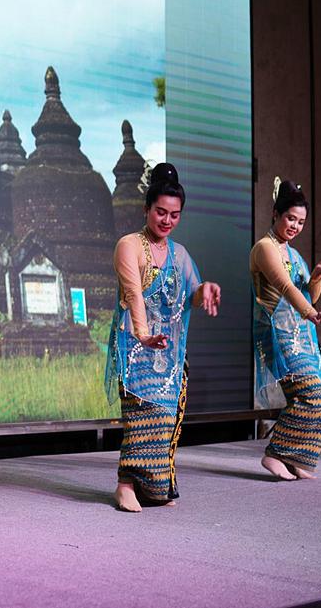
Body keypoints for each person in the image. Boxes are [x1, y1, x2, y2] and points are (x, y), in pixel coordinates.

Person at [105, 162, 221, 512]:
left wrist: (204, 289)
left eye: (174, 215)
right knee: (143, 413)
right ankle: (126, 484)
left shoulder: (179, 254)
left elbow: (192, 293)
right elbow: (134, 295)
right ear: (146, 209)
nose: (167, 220)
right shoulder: (129, 245)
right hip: (135, 344)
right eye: (160, 212)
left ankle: (152, 486)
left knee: (166, 419)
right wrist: (143, 335)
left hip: (167, 351)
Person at [251, 177, 321, 480]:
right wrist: (311, 313)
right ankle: (275, 454)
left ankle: (295, 458)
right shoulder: (265, 247)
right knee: (310, 394)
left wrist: (316, 274)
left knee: (315, 398)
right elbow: (286, 287)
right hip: (278, 336)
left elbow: (309, 295)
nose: (295, 226)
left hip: (301, 336)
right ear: (275, 214)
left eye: (301, 222)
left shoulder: (294, 254)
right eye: (291, 218)